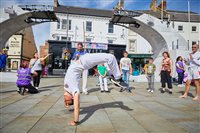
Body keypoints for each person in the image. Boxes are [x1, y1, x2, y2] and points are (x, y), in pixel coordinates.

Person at [64, 53, 127, 126]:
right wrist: (75, 121)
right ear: (72, 97)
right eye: (67, 101)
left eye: (65, 101)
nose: (65, 100)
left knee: (107, 59)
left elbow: (67, 101)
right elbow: (77, 107)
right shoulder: (74, 91)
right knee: (110, 57)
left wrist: (67, 104)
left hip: (83, 59)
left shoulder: (66, 89)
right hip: (84, 61)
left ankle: (112, 75)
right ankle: (118, 78)